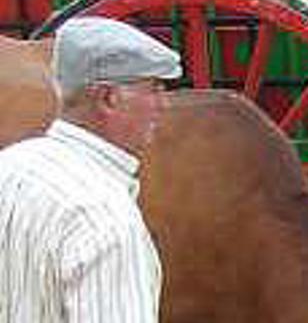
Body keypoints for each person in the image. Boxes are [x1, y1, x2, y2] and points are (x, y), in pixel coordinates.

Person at [0, 17, 182, 322]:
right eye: (153, 88)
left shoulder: (9, 166)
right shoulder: (104, 221)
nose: (163, 104)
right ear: (109, 99)